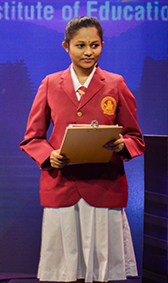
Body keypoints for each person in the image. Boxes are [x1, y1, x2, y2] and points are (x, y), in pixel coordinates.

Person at [20, 16, 145, 283]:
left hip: (104, 187)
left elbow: (135, 137)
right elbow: (32, 138)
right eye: (80, 45)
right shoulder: (50, 83)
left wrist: (122, 144)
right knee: (68, 272)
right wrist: (49, 156)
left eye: (95, 45)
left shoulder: (116, 84)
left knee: (100, 272)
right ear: (66, 46)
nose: (89, 52)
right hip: (63, 187)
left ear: (102, 45)